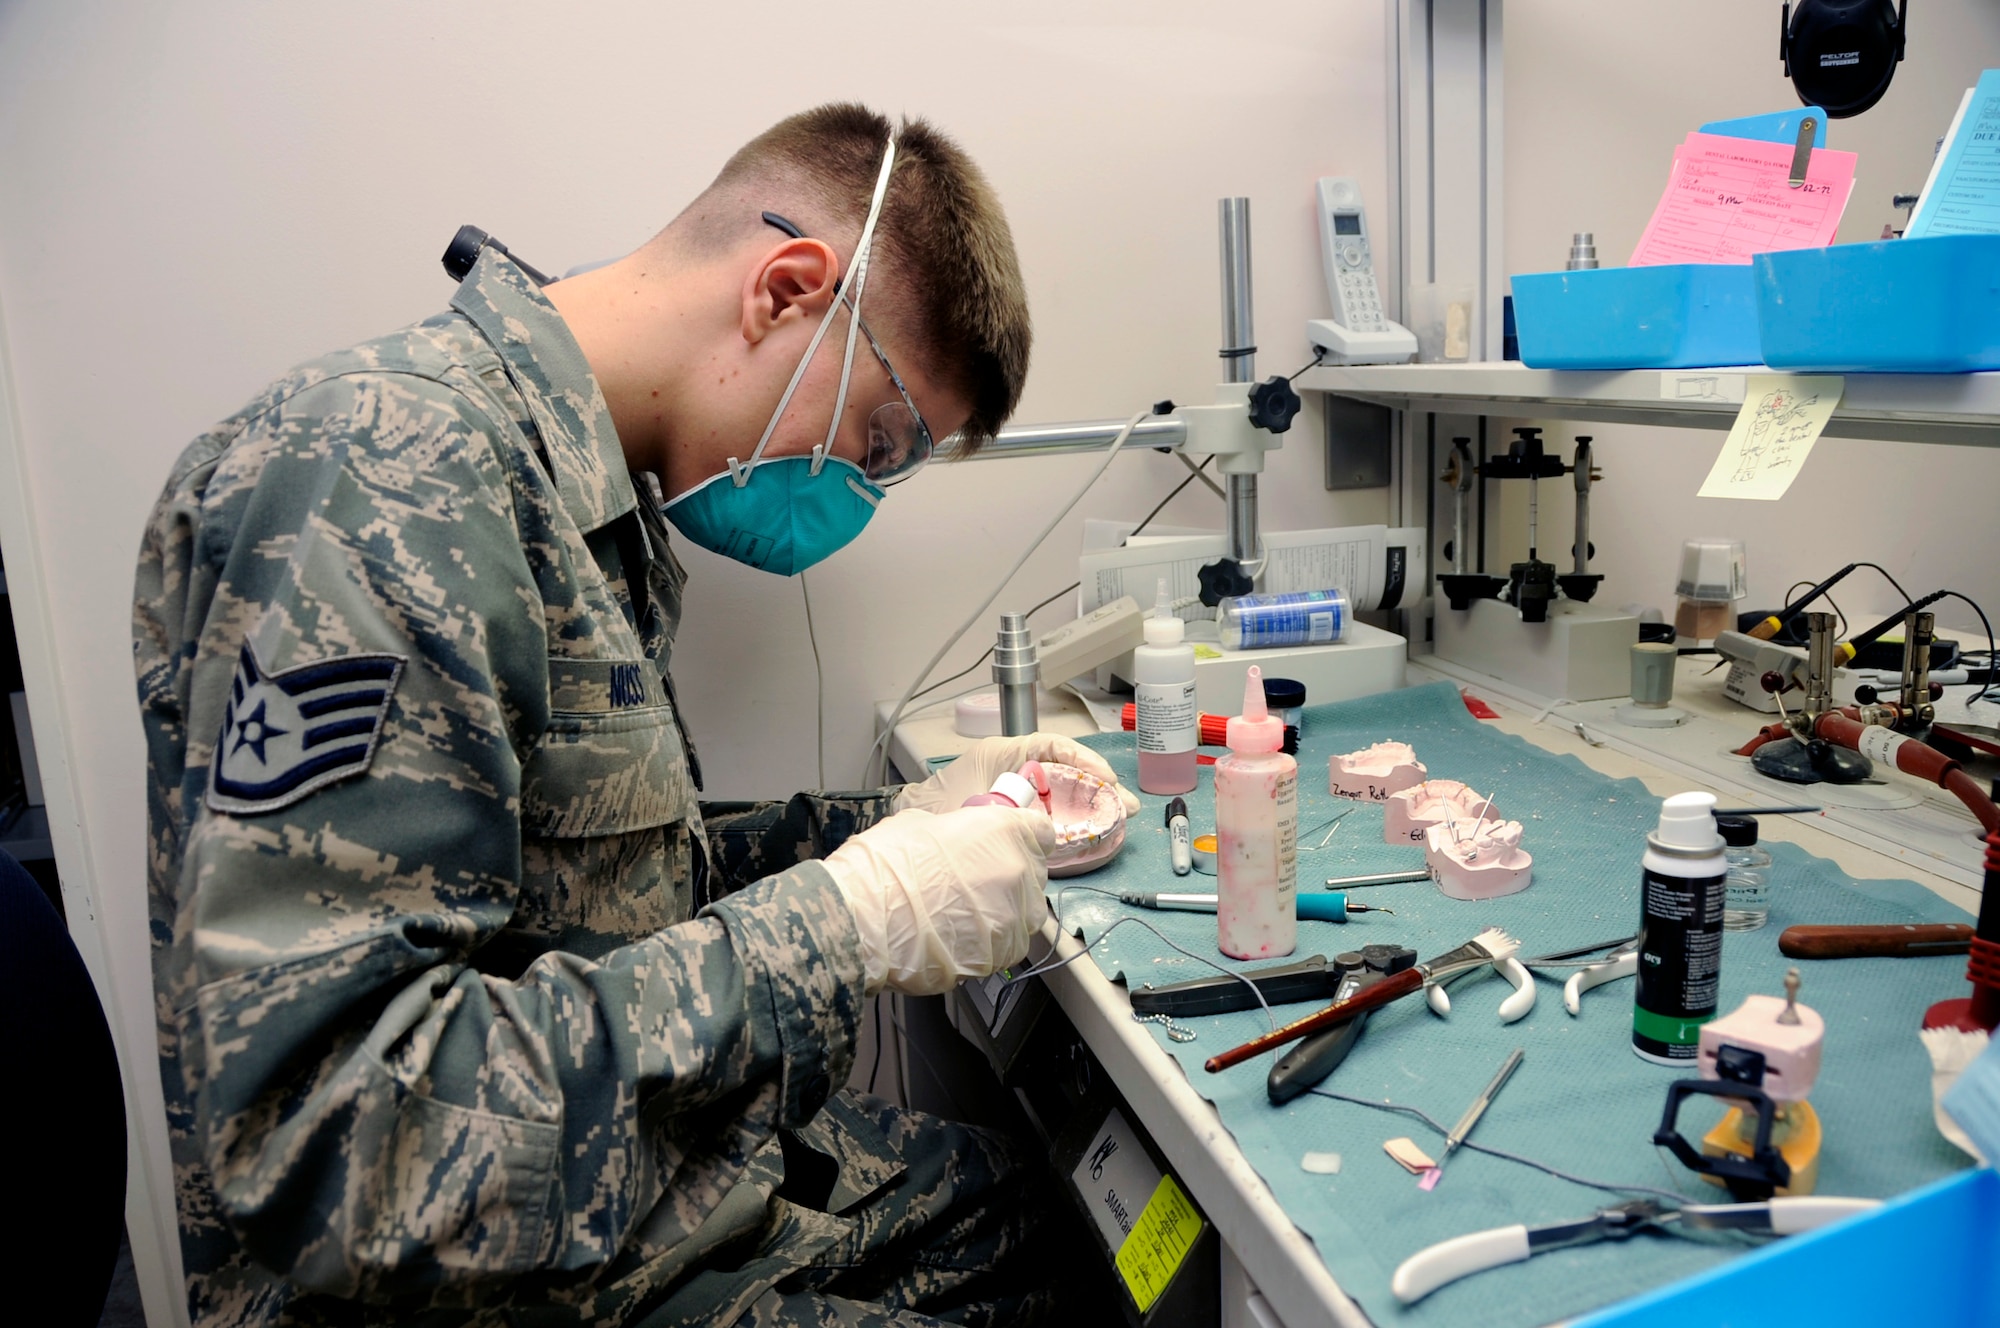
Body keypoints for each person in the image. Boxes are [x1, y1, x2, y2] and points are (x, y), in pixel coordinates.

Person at [133, 103, 1136, 1327]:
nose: (860, 492)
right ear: (782, 288)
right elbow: (342, 1145)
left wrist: (906, 825)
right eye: (878, 440)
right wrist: (846, 922)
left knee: (1061, 1215)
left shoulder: (590, 499)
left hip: (624, 1194)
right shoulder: (382, 475)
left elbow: (601, 893)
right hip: (456, 1277)